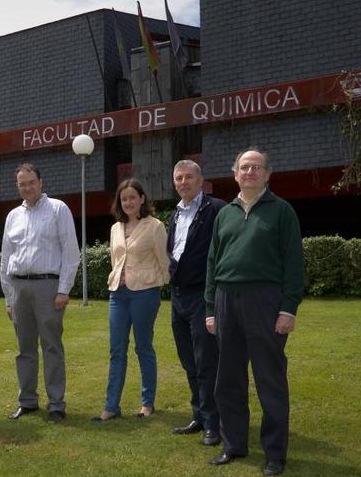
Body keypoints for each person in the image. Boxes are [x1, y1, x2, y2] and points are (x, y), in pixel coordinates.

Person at [205, 148, 304, 476]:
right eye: (244, 167)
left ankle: (275, 454)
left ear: (267, 174)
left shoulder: (282, 211)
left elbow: (293, 264)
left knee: (269, 379)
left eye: (256, 167)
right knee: (228, 379)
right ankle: (233, 444)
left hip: (265, 301)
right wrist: (210, 309)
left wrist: (288, 309)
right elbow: (212, 263)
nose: (249, 172)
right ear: (235, 173)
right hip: (225, 300)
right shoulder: (225, 214)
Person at [0, 163, 80, 423]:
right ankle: (28, 401)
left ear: (41, 182)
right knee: (24, 349)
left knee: (51, 347)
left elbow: (71, 253)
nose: (27, 188)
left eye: (31, 182)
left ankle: (56, 403)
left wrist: (63, 290)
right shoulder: (13, 216)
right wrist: (9, 296)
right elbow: (6, 258)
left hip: (48, 287)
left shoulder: (58, 209)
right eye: (22, 184)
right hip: (19, 287)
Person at [93, 178, 169, 422]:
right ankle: (111, 406)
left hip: (145, 293)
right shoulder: (116, 228)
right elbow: (116, 261)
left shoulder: (155, 226)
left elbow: (163, 260)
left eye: (132, 198)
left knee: (143, 348)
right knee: (117, 351)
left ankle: (147, 403)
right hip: (119, 294)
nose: (128, 202)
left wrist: (159, 284)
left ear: (142, 199)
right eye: (124, 199)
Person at [166, 160, 226, 446]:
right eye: (179, 178)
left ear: (201, 180)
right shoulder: (175, 214)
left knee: (207, 362)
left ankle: (215, 424)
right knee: (189, 361)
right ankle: (199, 416)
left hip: (202, 295)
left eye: (189, 177)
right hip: (177, 297)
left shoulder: (216, 210)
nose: (184, 182)